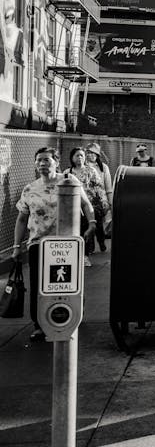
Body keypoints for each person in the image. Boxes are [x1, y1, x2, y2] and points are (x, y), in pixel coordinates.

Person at [12, 147, 96, 342]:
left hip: (65, 243)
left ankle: (71, 316)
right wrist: (17, 246)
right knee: (38, 285)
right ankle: (40, 324)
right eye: (39, 160)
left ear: (56, 162)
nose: (42, 164)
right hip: (38, 243)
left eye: (47, 160)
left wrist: (92, 223)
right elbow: (22, 219)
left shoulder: (68, 182)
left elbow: (85, 203)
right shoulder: (30, 189)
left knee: (67, 282)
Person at [63, 147, 110, 264]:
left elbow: (99, 187)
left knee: (87, 229)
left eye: (81, 155)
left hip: (89, 205)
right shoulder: (67, 173)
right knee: (75, 230)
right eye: (77, 155)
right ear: (72, 158)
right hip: (73, 207)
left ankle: (85, 255)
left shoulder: (91, 171)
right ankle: (76, 254)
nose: (79, 158)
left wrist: (103, 202)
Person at [84, 142, 113, 250]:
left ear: (97, 155)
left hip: (100, 200)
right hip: (86, 199)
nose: (89, 155)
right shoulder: (83, 166)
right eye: (88, 152)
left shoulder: (103, 168)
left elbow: (108, 186)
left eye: (92, 153)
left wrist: (110, 202)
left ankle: (101, 242)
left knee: (99, 224)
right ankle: (90, 246)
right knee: (88, 223)